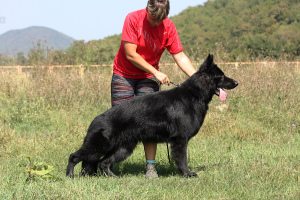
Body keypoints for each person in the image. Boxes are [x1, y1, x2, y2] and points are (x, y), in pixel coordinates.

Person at [111, 0, 197, 179]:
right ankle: (109, 163)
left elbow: (180, 56)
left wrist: (197, 80)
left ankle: (150, 167)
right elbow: (130, 54)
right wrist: (155, 72)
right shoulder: (133, 19)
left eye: (160, 20)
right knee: (120, 120)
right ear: (147, 10)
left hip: (147, 78)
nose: (156, 23)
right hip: (124, 75)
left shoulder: (168, 26)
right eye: (153, 19)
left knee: (150, 122)